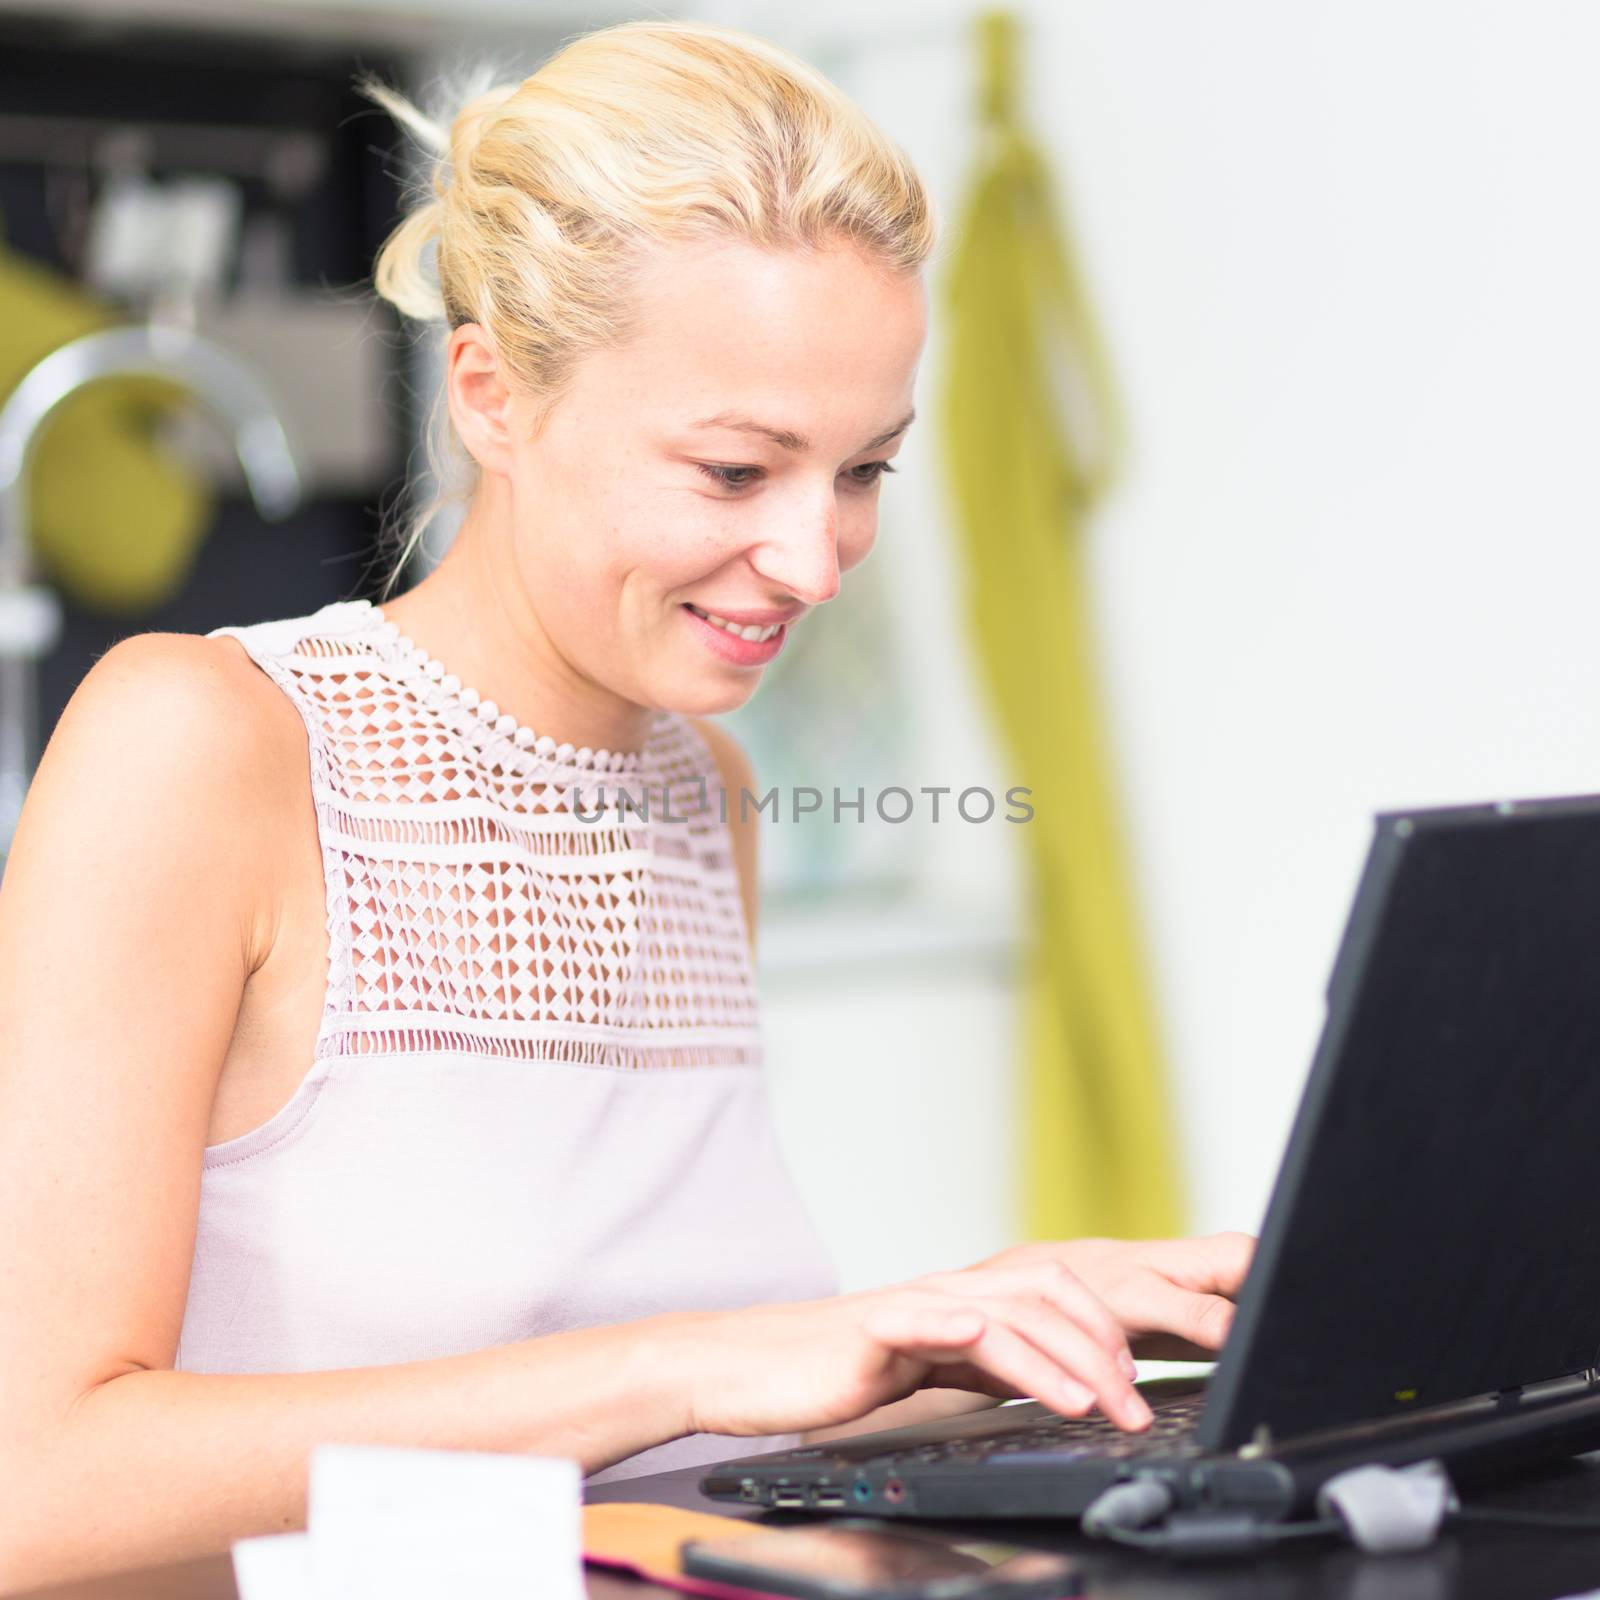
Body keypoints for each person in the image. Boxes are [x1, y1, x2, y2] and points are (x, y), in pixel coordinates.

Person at [0, 19, 1253, 1591]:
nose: (814, 561)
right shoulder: (205, 744)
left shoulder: (701, 794)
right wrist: (693, 1360)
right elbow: (32, 1486)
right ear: (492, 394)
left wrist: (974, 1330)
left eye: (864, 470)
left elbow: (657, 1467)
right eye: (738, 472)